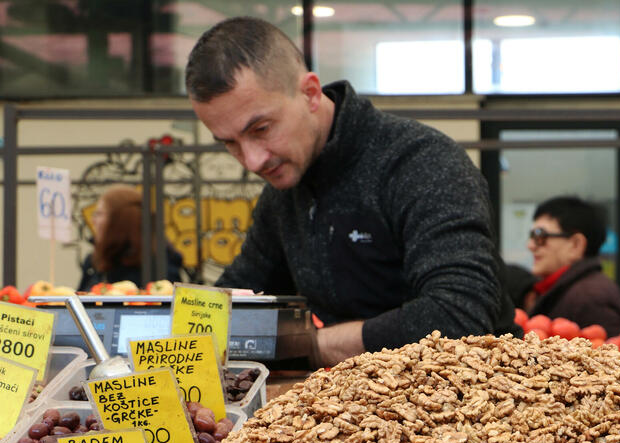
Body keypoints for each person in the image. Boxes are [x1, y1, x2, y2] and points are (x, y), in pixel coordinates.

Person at [184, 17, 515, 366]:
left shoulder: (423, 163)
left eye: (261, 129)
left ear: (311, 93)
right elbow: (237, 294)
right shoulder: (284, 192)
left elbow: (458, 316)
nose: (252, 160)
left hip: (474, 402)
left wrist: (308, 344)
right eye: (230, 143)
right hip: (354, 402)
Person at [526, 196, 620, 336]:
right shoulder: (570, 289)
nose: (531, 246)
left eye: (540, 236)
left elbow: (614, 352)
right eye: (531, 236)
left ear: (576, 244)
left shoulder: (590, 296)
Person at [78, 185, 183, 292]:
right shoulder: (95, 261)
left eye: (99, 214)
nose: (93, 221)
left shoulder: (160, 263)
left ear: (120, 220)